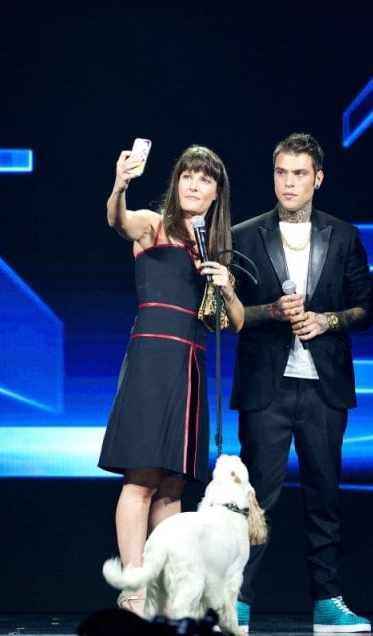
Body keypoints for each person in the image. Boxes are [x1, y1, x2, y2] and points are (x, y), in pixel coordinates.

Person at [230, 132, 373, 633]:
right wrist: (270, 311)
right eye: (281, 173)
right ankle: (237, 602)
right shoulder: (244, 234)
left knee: (324, 497)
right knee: (253, 501)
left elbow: (366, 308)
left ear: (318, 178)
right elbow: (226, 315)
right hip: (265, 386)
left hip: (323, 387)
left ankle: (328, 602)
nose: (289, 183)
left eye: (299, 174)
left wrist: (327, 321)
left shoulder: (344, 234)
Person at [98, 144, 244, 617]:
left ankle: (163, 591)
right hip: (151, 361)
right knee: (140, 479)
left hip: (192, 365)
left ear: (216, 192)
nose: (194, 185)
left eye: (204, 180)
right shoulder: (152, 225)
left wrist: (224, 285)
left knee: (173, 487)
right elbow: (118, 222)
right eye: (187, 176)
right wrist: (120, 184)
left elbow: (234, 321)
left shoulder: (216, 252)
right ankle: (134, 588)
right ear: (176, 181)